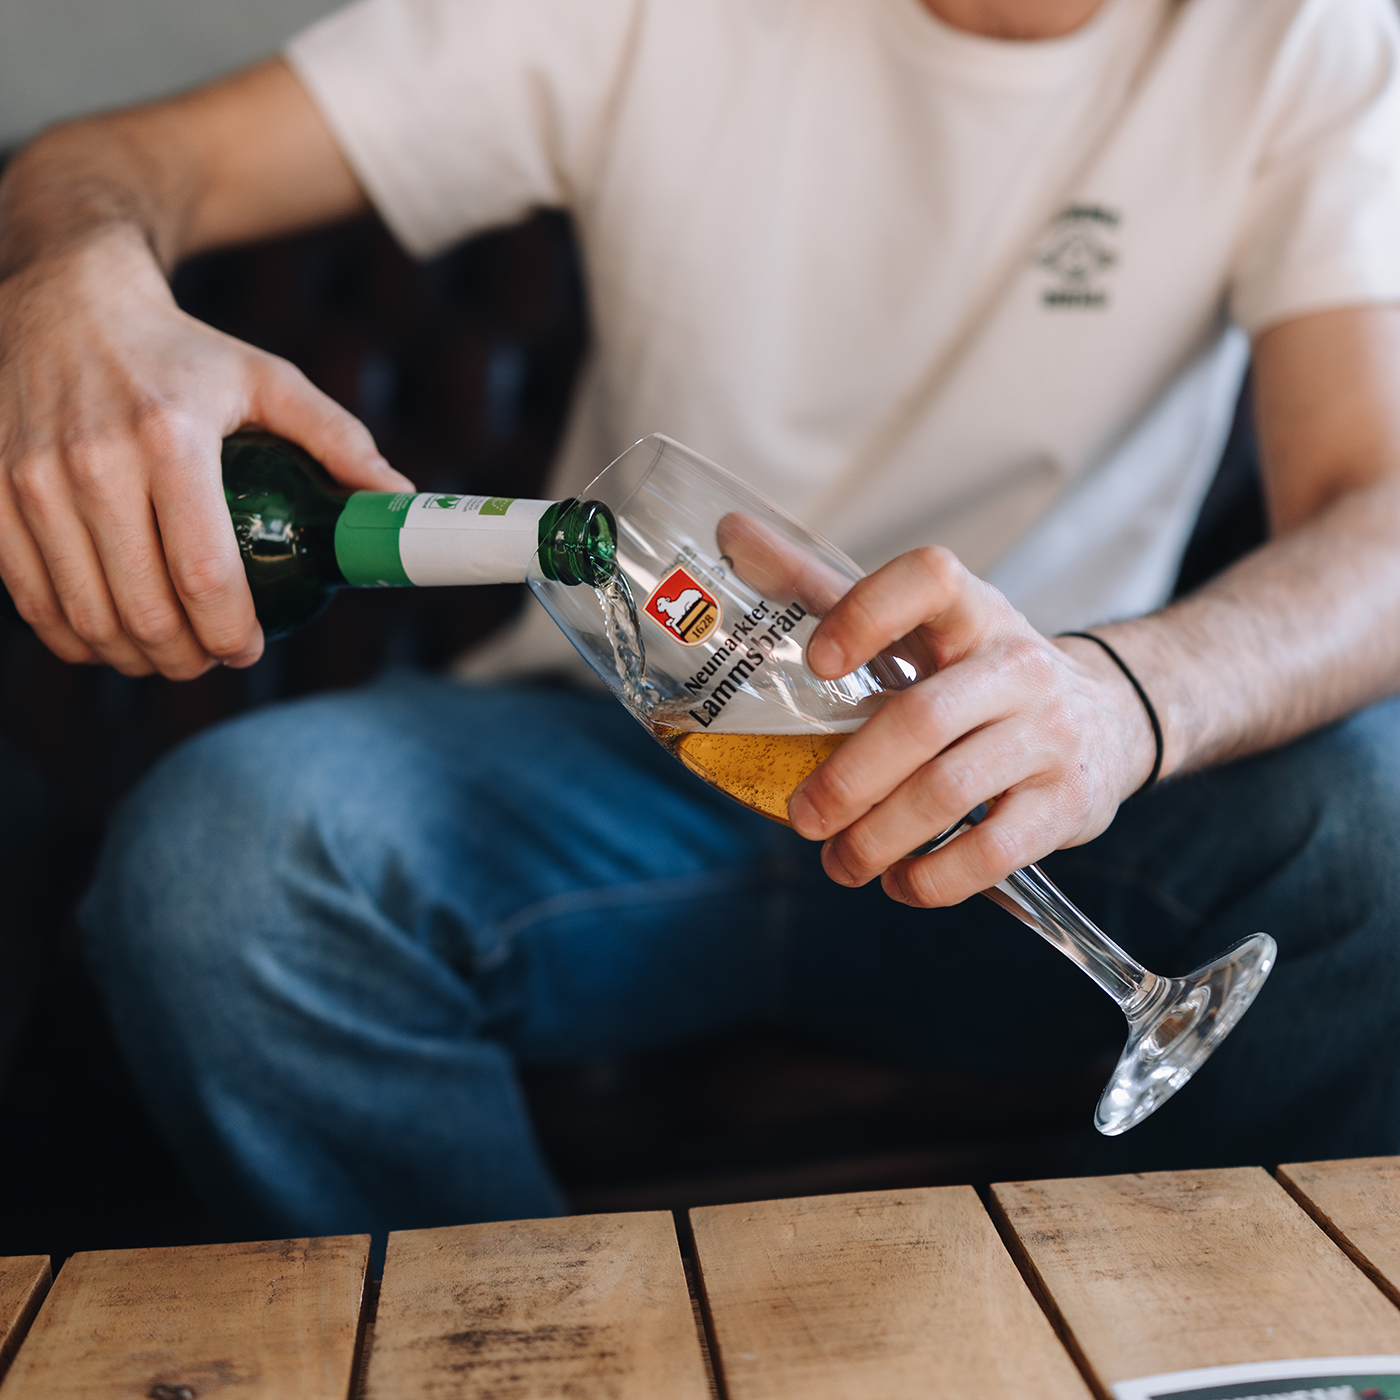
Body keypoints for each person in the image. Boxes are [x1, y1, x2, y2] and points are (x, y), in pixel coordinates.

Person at [2, 0, 1399, 1241]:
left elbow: (1375, 509)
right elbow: (122, 159)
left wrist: (1119, 701)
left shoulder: (1299, 38)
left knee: (1378, 816)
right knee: (224, 859)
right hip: (623, 753)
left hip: (1050, 796)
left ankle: (1130, 1336)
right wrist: (68, 288)